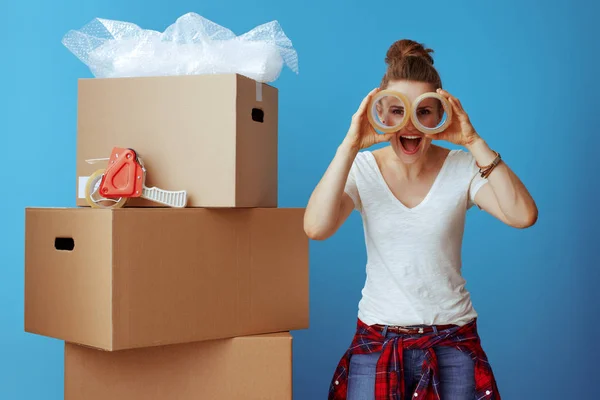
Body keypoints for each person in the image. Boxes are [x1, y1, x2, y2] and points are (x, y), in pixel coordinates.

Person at [303, 39, 538, 400]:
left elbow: (523, 215)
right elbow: (316, 228)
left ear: (439, 113)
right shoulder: (363, 168)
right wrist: (349, 146)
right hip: (377, 342)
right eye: (395, 110)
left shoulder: (462, 168)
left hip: (452, 342)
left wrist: (473, 141)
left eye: (423, 111)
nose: (409, 124)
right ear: (379, 113)